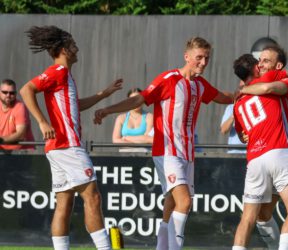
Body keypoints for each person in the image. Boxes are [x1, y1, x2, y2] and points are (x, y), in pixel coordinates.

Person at [94, 37, 235, 250]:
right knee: (185, 202)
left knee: (172, 201)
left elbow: (221, 97)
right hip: (167, 150)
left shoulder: (199, 84)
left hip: (187, 152)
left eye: (207, 58)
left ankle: (161, 247)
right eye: (199, 57)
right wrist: (108, 110)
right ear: (186, 57)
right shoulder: (169, 78)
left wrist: (244, 94)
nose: (204, 62)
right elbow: (138, 99)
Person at [19, 25, 123, 250]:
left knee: (64, 203)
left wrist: (103, 94)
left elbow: (75, 105)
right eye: (73, 44)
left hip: (57, 148)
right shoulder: (59, 71)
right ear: (65, 49)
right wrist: (42, 121)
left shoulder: (65, 76)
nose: (77, 48)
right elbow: (26, 89)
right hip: (67, 146)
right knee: (92, 197)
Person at [239, 45, 288, 250]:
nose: (260, 64)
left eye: (266, 60)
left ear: (278, 66)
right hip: (276, 152)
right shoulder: (259, 85)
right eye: (259, 60)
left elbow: (271, 87)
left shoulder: (285, 81)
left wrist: (243, 89)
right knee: (263, 214)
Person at [0, 79, 35, 150]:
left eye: (11, 93)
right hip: (3, 151)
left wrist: (1, 140)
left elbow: (20, 135)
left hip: (21, 153)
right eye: (5, 92)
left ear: (15, 94)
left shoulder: (20, 107)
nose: (8, 95)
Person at [220, 81, 246, 154]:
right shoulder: (231, 107)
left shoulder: (257, 104)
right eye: (241, 87)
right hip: (234, 153)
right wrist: (234, 114)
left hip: (253, 153)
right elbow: (223, 130)